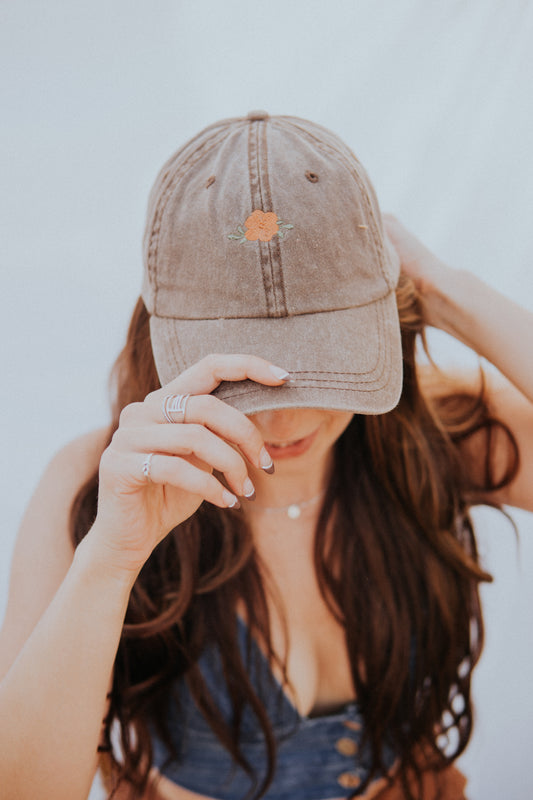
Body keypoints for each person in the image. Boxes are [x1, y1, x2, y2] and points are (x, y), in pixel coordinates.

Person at [0, 111, 531, 800]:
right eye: (242, 376)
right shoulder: (96, 483)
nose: (286, 420)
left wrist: (444, 287)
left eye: (326, 364)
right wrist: (112, 560)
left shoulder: (432, 428)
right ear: (166, 340)